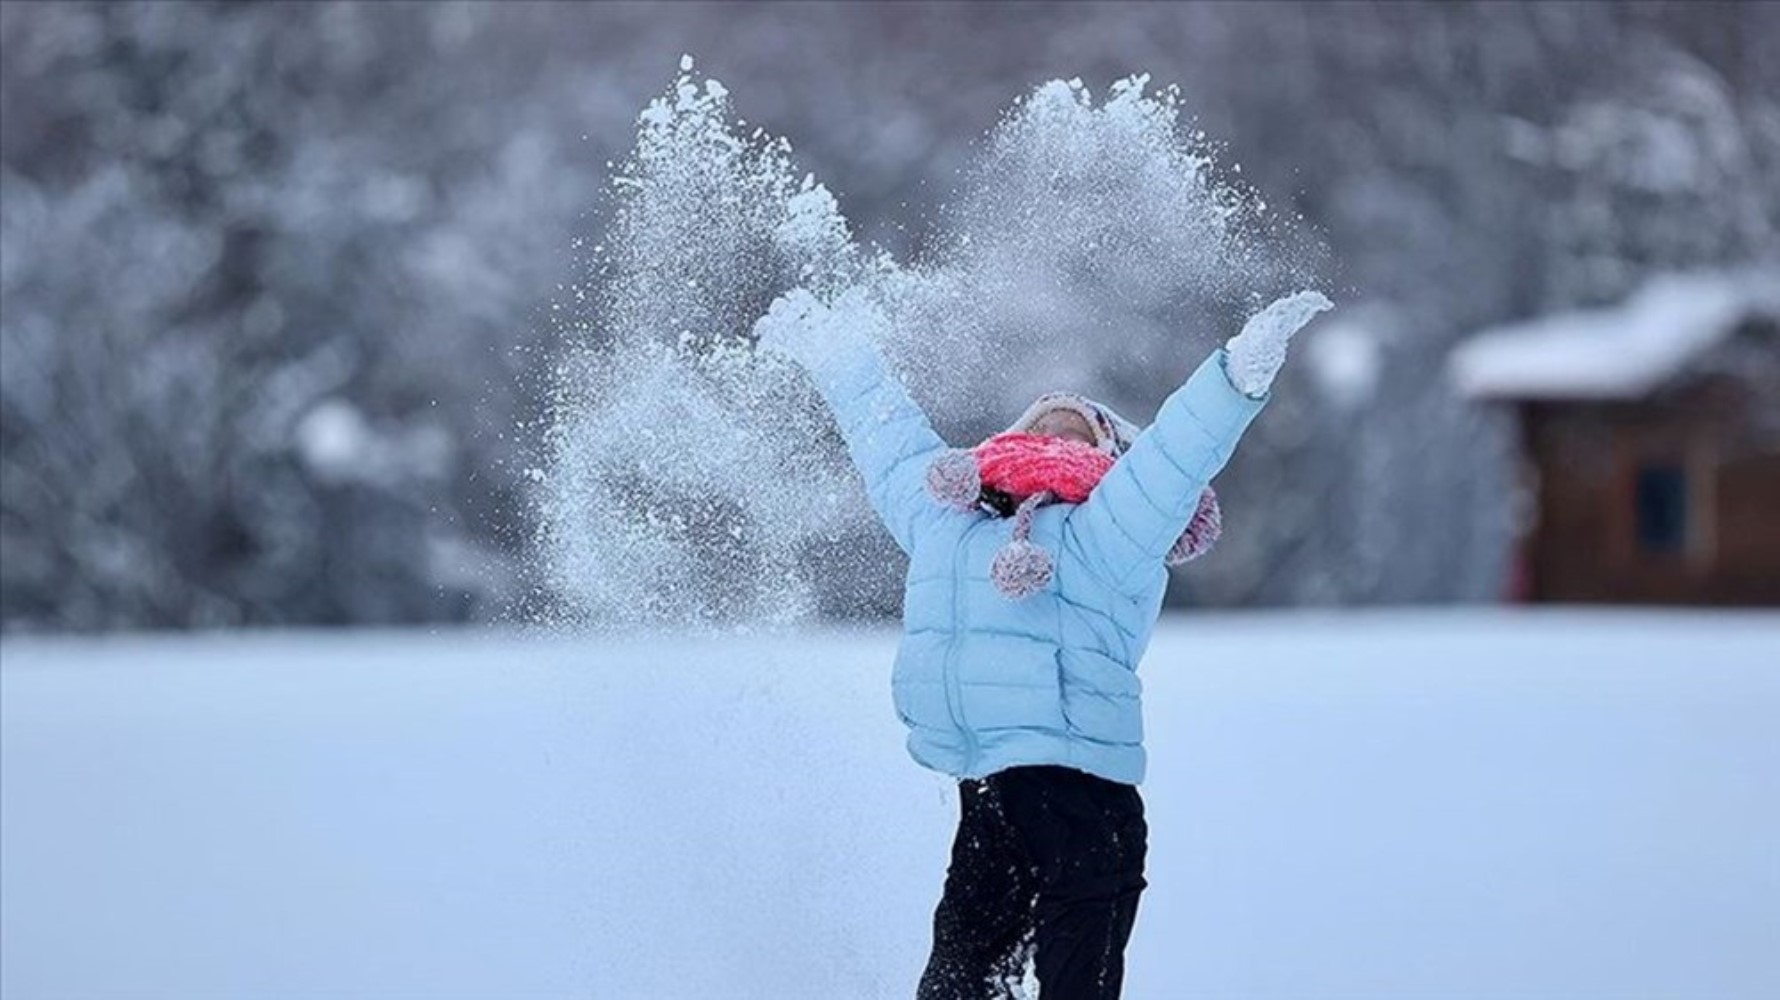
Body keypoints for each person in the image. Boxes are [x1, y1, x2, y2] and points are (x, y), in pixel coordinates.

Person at [754, 286, 1332, 999]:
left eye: (1078, 434)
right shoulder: (950, 523)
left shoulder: (1113, 528)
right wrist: (836, 355)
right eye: (1042, 428)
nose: (1056, 440)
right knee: (957, 979)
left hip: (1085, 794)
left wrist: (1236, 374)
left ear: (1112, 458)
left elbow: (1176, 456)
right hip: (992, 791)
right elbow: (890, 441)